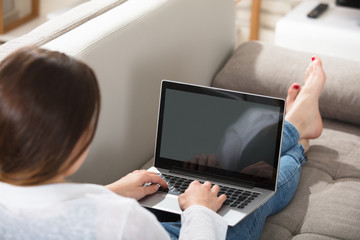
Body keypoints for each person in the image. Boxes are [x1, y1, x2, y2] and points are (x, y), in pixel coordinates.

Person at [0, 47, 326, 240]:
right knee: (255, 185)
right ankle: (298, 135)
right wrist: (199, 209)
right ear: (76, 144)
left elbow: (49, 205)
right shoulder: (118, 220)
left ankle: (297, 126)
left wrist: (111, 190)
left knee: (232, 173)